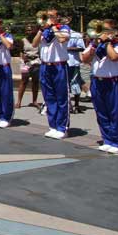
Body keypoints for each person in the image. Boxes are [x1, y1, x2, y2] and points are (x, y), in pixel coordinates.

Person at [81, 20, 118, 153]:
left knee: (116, 113)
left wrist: (107, 42)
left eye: (105, 30)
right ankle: (107, 139)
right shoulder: (95, 44)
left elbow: (114, 57)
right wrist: (94, 46)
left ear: (113, 32)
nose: (101, 33)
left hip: (113, 82)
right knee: (101, 112)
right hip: (97, 81)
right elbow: (84, 59)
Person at [34, 10, 71, 139]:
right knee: (49, 98)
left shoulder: (64, 28)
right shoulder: (44, 30)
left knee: (61, 98)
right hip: (45, 66)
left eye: (51, 16)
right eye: (46, 17)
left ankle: (62, 127)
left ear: (57, 17)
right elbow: (34, 43)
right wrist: (40, 30)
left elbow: (62, 39)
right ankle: (53, 126)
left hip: (59, 65)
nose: (48, 19)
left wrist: (53, 27)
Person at [16, 23, 40, 109]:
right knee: (24, 81)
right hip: (26, 62)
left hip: (36, 61)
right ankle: (19, 101)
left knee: (35, 82)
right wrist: (24, 59)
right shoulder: (23, 41)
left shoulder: (38, 40)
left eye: (30, 30)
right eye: (27, 30)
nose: (29, 31)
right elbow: (21, 52)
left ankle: (34, 101)